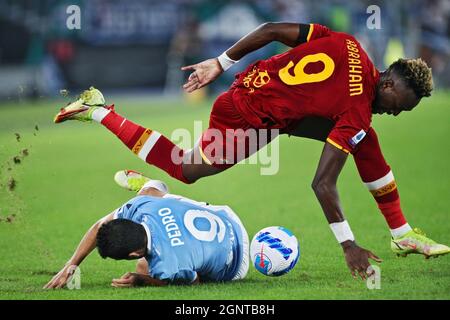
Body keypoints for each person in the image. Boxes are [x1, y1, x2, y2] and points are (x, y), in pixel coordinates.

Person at [53, 22, 449, 280]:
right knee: (186, 168)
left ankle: (401, 234)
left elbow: (273, 30)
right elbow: (322, 184)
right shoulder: (356, 111)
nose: (396, 113)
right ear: (390, 86)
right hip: (249, 116)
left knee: (366, 141)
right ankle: (100, 112)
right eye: (401, 106)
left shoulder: (349, 46)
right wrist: (348, 245)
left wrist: (220, 62)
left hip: (257, 93)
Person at [44, 172, 249, 289]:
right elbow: (100, 227)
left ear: (133, 253)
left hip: (238, 264)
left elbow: (193, 280)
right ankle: (152, 186)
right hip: (226, 215)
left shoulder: (166, 266)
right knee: (150, 195)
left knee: (143, 267)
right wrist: (70, 266)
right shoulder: (142, 207)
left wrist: (142, 280)